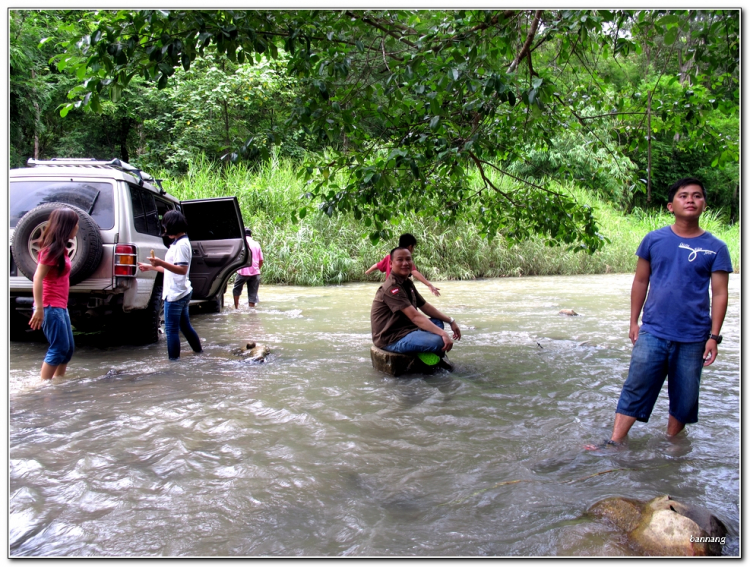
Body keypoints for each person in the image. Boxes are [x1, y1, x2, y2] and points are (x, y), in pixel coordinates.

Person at [595, 178, 732, 448]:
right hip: (653, 331)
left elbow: (719, 293)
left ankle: (672, 446)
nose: (690, 200)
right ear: (671, 206)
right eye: (683, 196)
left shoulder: (716, 247)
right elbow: (640, 281)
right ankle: (615, 442)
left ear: (704, 204)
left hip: (694, 337)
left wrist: (714, 336)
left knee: (685, 396)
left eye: (697, 196)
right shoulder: (654, 239)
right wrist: (633, 321)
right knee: (636, 386)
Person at [371, 246, 461, 357]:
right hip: (391, 338)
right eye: (400, 260)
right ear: (390, 263)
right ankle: (425, 353)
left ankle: (422, 347)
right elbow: (415, 317)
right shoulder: (392, 287)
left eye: (408, 259)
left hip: (408, 329)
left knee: (438, 322)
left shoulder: (407, 283)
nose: (405, 263)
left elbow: (425, 306)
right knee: (439, 341)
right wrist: (443, 334)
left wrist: (450, 321)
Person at [138, 210, 203, 360]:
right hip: (182, 291)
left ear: (172, 226)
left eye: (165, 226)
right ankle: (199, 353)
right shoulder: (178, 243)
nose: (164, 230)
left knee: (171, 330)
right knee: (185, 326)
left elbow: (182, 269)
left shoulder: (181, 245)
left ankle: (173, 364)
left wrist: (160, 262)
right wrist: (152, 267)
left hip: (175, 294)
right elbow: (171, 269)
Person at [28, 207, 79, 380]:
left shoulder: (61, 250)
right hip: (50, 305)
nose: (77, 228)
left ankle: (58, 383)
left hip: (59, 305)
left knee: (67, 348)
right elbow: (37, 278)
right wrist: (39, 308)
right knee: (58, 347)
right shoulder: (51, 250)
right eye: (75, 225)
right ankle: (43, 387)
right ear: (67, 226)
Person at [365, 233, 441, 296]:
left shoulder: (390, 257)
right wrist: (429, 284)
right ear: (410, 247)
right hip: (398, 290)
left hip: (389, 290)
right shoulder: (407, 261)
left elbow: (377, 265)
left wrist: (367, 272)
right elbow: (414, 272)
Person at [233, 228, 264, 308]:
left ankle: (236, 307)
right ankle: (251, 310)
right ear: (251, 235)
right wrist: (257, 269)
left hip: (243, 271)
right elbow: (261, 260)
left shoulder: (241, 243)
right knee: (253, 294)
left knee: (236, 289)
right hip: (255, 272)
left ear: (242, 234)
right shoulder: (256, 244)